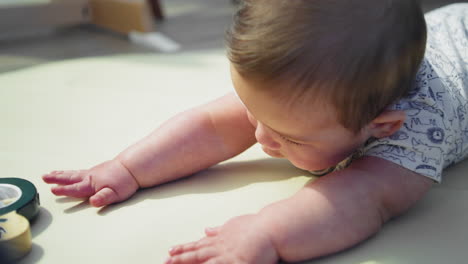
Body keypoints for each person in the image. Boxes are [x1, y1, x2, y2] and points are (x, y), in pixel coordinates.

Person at [42, 1, 468, 263]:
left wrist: (265, 232)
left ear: (380, 126)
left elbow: (358, 200)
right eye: (252, 111)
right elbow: (212, 126)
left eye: (293, 139)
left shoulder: (413, 132)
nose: (261, 137)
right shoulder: (309, 100)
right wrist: (126, 169)